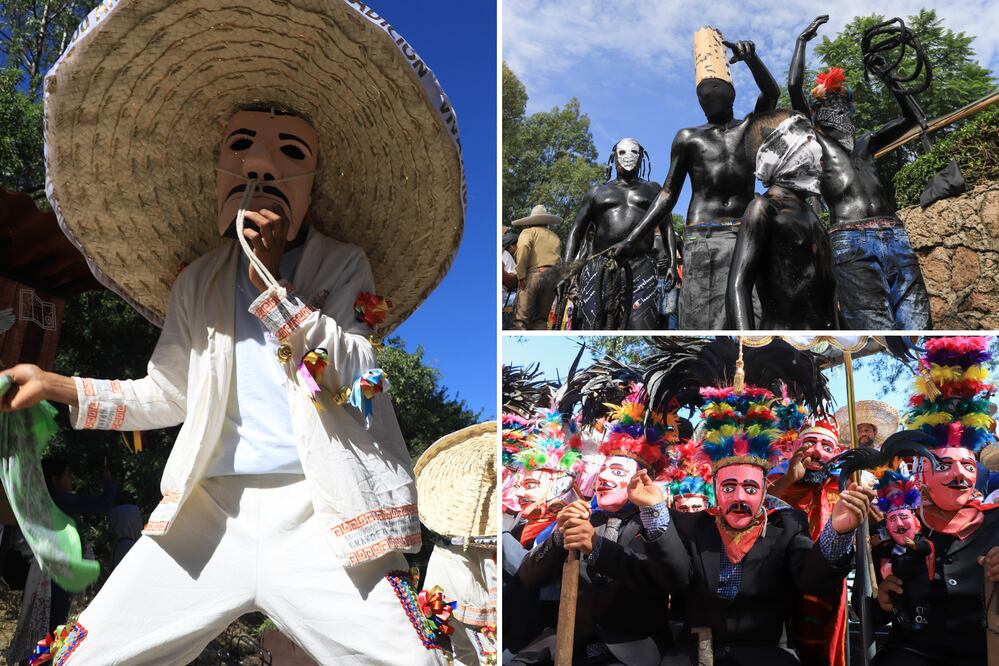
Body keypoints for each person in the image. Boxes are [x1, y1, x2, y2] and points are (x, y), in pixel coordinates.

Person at [1, 2, 465, 662]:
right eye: (240, 148)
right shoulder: (197, 283)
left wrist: (274, 284)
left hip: (319, 516)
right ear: (218, 169)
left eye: (287, 154)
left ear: (312, 179)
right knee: (89, 655)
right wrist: (57, 384)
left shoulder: (341, 267)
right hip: (205, 514)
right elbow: (166, 394)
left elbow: (350, 379)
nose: (260, 169)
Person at [607, 384, 875, 665]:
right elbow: (671, 576)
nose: (738, 497)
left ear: (763, 492)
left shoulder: (787, 525)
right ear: (715, 488)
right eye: (729, 487)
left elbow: (813, 579)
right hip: (692, 655)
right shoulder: (692, 525)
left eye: (749, 487)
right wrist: (654, 510)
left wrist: (839, 532)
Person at [611, 27, 779, 329]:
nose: (709, 96)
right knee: (701, 316)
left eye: (715, 88)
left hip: (744, 231)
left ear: (731, 92)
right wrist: (633, 237)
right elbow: (668, 193)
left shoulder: (750, 129)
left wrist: (752, 59)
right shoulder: (688, 138)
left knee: (750, 315)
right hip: (702, 234)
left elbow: (771, 93)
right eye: (702, 93)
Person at [789, 15, 931, 329]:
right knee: (874, 327)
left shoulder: (867, 143)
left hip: (894, 233)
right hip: (849, 236)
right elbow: (793, 87)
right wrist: (802, 42)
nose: (840, 106)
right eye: (832, 101)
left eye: (844, 101)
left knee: (918, 324)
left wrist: (888, 76)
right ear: (819, 111)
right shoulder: (818, 144)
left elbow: (910, 117)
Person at [511, 398, 670, 665]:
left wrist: (596, 547)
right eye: (603, 470)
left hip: (630, 648)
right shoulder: (585, 516)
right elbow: (525, 578)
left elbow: (663, 578)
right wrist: (559, 535)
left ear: (645, 481)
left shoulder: (656, 525)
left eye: (617, 471)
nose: (604, 478)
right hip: (571, 640)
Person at [874, 336, 999, 666]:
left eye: (968, 466)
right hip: (910, 653)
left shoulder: (996, 520)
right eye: (943, 465)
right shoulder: (893, 525)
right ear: (921, 475)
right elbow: (874, 614)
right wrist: (882, 601)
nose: (958, 474)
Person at [727, 111, 837, 329]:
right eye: (807, 138)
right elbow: (738, 286)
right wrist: (748, 345)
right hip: (781, 341)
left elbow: (827, 294)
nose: (816, 147)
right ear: (778, 151)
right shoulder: (764, 209)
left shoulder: (812, 215)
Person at [769, 419, 849, 666]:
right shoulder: (777, 480)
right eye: (810, 443)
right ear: (795, 447)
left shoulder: (845, 485)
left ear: (835, 454)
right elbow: (755, 508)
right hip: (780, 579)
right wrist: (789, 479)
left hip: (828, 583)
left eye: (826, 446)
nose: (817, 451)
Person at [563, 138, 663, 330]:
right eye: (623, 152)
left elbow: (665, 225)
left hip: (641, 264)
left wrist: (672, 263)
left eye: (634, 152)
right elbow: (576, 230)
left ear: (642, 157)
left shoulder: (653, 190)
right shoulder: (597, 192)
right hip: (599, 264)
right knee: (593, 323)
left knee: (641, 324)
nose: (628, 157)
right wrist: (567, 270)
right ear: (614, 157)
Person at [40, 456, 118, 633]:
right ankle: (42, 661)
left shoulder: (43, 499)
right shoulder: (60, 499)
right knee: (52, 627)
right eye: (67, 474)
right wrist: (108, 482)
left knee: (42, 625)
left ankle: (34, 660)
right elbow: (102, 507)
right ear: (55, 480)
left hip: (44, 571)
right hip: (57, 574)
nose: (71, 478)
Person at [511, 205, 562, 330]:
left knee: (521, 320)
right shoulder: (555, 237)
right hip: (552, 278)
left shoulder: (528, 232)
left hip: (533, 275)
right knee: (541, 320)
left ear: (530, 222)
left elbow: (523, 248)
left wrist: (521, 275)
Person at [834, 400, 899, 450]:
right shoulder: (845, 458)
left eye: (867, 429)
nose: (863, 433)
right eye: (859, 430)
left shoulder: (888, 457)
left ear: (874, 432)